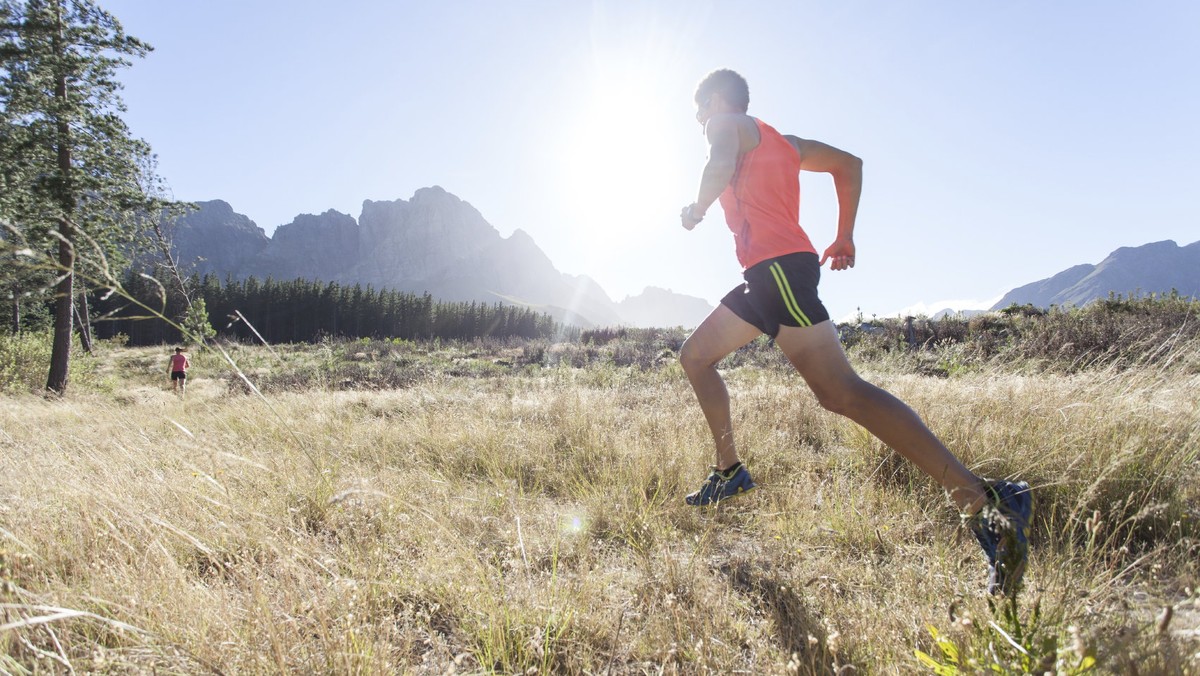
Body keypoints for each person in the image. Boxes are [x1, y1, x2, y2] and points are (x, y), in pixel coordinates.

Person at [677, 69, 1031, 595]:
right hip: (768, 276)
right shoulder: (785, 142)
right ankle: (729, 472)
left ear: (717, 100)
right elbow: (849, 165)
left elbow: (719, 162)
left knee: (842, 392)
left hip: (778, 271)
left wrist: (698, 207)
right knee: (695, 356)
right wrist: (844, 235)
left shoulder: (725, 122)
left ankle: (987, 502)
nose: (699, 120)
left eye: (697, 109)